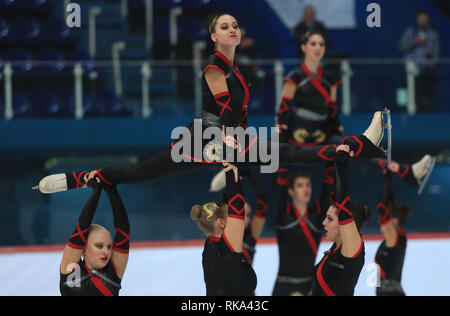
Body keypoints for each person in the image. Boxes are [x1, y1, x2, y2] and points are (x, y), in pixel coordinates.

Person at [37, 14, 385, 194]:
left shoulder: (237, 67)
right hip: (205, 137)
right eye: (224, 26)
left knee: (288, 153)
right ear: (214, 36)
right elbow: (225, 107)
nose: (232, 28)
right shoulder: (213, 66)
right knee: (137, 174)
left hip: (226, 140)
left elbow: (235, 113)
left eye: (235, 25)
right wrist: (226, 143)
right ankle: (77, 178)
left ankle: (359, 146)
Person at [312, 145, 372, 296]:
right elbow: (335, 197)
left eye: (330, 219)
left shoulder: (352, 249)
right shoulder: (335, 250)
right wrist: (334, 162)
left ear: (346, 225)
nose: (324, 223)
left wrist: (340, 166)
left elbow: (342, 202)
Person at [191, 162, 257, 296]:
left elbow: (223, 206)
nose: (239, 219)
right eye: (232, 216)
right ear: (221, 222)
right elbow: (237, 202)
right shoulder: (227, 246)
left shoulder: (210, 243)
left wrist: (232, 174)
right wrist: (231, 166)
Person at [59, 172, 130, 296]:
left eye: (109, 247)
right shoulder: (70, 270)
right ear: (84, 249)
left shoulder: (113, 273)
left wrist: (111, 189)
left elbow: (123, 231)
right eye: (99, 246)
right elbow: (81, 230)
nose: (106, 252)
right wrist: (96, 191)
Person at [272, 163, 334, 296]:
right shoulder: (284, 216)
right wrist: (285, 151)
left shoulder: (317, 217)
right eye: (300, 185)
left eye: (308, 185)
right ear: (291, 191)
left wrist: (333, 158)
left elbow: (328, 186)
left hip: (308, 287)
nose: (305, 189)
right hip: (284, 288)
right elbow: (281, 184)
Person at [374, 168, 411, 296]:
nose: (381, 221)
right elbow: (388, 205)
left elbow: (381, 209)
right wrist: (387, 177)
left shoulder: (395, 238)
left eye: (387, 218)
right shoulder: (398, 236)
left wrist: (387, 178)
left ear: (394, 221)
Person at [399, 10, 440, 112]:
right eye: (420, 19)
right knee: (405, 95)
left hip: (425, 72)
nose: (422, 21)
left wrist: (430, 63)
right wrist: (414, 42)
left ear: (428, 20)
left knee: (424, 99)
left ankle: (423, 115)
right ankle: (403, 111)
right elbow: (401, 46)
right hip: (409, 71)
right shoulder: (410, 32)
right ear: (417, 20)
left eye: (424, 19)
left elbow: (435, 55)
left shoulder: (433, 34)